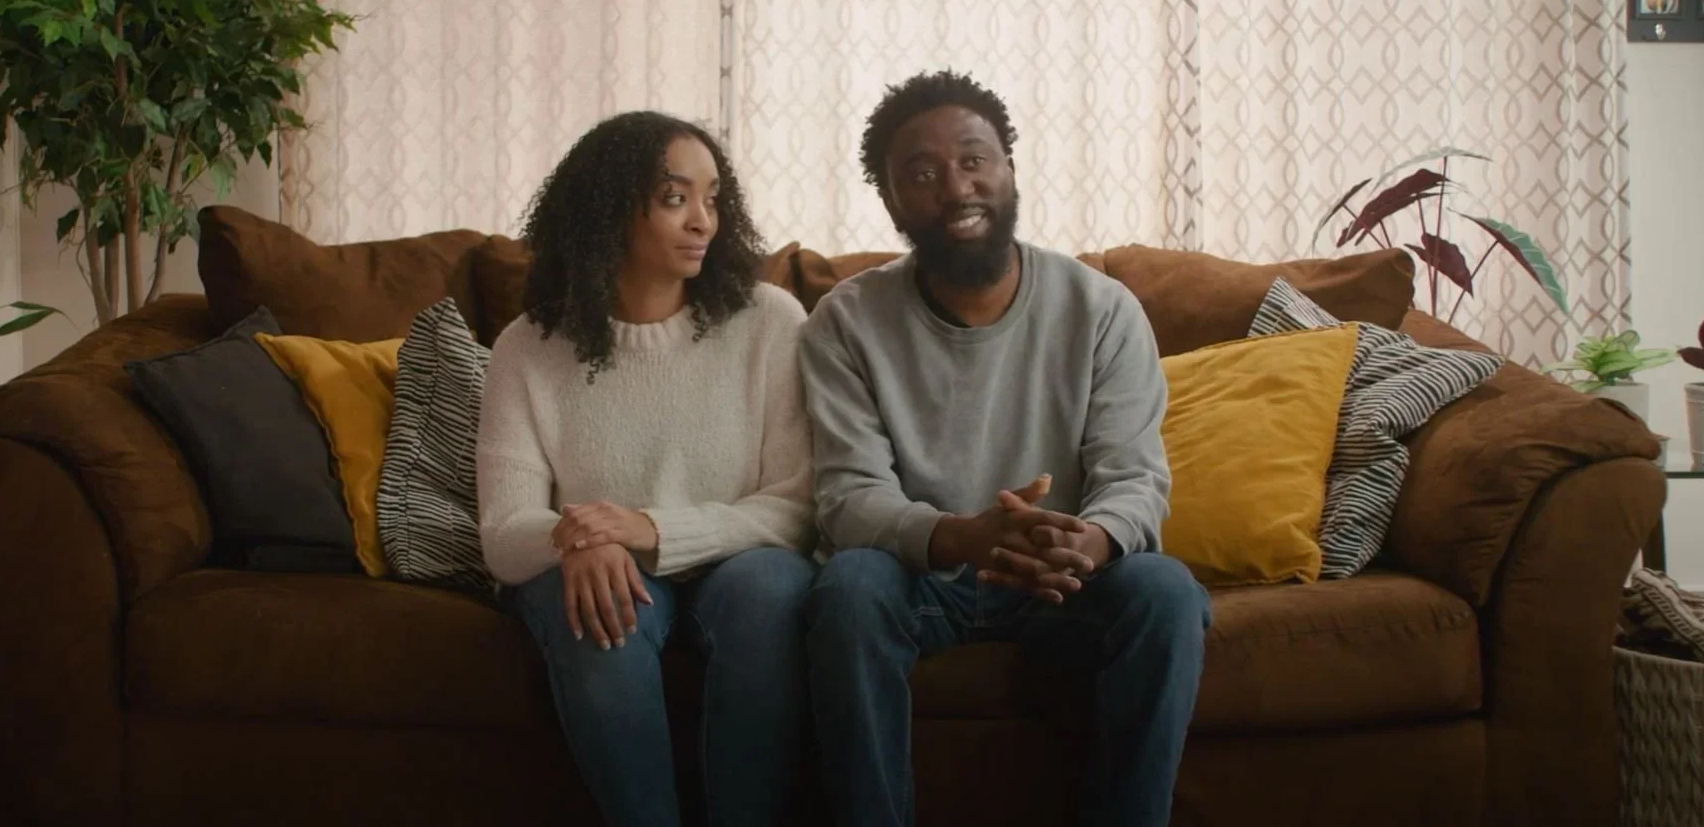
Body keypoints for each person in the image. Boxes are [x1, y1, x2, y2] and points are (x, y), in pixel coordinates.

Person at [798, 70, 1212, 827]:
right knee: (849, 587)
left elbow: (1134, 475)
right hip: (922, 578)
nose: (955, 187)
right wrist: (959, 535)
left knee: (1167, 591)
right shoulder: (844, 322)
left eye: (973, 159)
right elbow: (848, 497)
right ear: (891, 202)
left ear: (1010, 169)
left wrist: (1089, 539)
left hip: (1063, 578)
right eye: (920, 173)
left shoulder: (1103, 308)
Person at [477, 110, 817, 827]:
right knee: (597, 609)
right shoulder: (527, 346)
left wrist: (646, 527)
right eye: (675, 197)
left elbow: (798, 505)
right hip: (604, 569)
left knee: (771, 586)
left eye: (713, 198)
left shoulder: (771, 321)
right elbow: (504, 530)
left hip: (739, 565)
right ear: (607, 211)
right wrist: (583, 537)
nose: (704, 221)